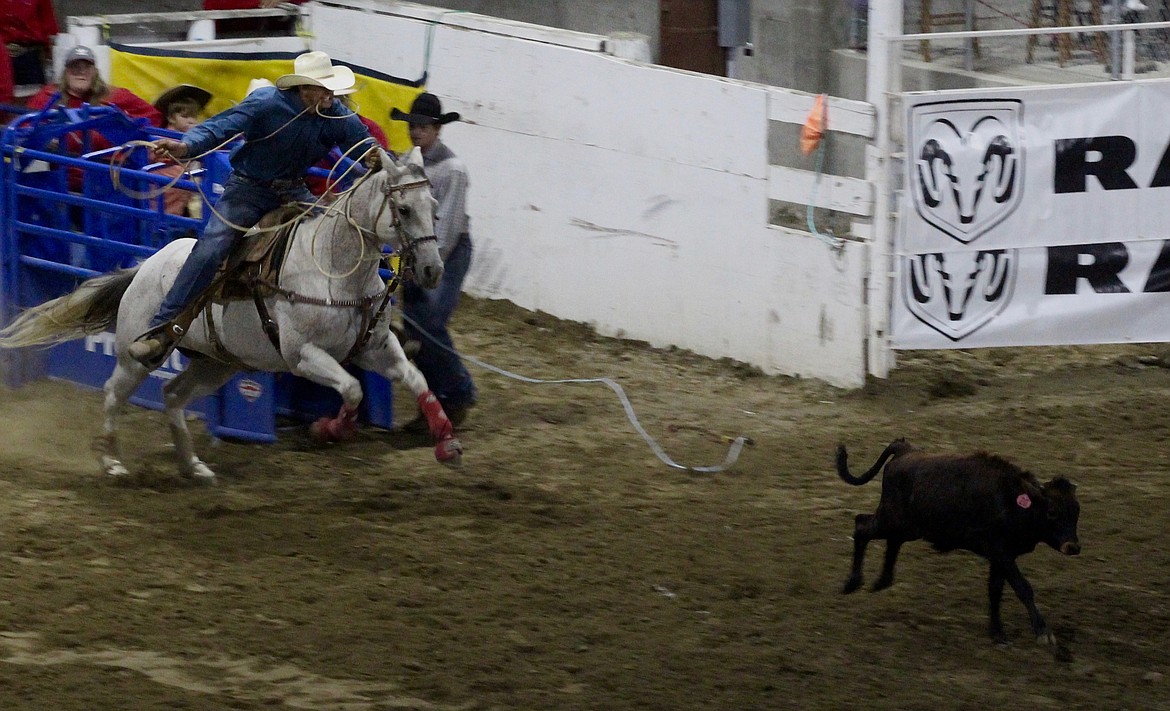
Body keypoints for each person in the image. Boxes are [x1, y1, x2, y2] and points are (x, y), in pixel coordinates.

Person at [127, 50, 376, 369]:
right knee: (212, 248)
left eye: (331, 88)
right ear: (304, 89)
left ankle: (362, 317)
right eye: (323, 88)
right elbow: (219, 128)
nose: (330, 94)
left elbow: (364, 144)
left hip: (293, 190)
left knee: (336, 239)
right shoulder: (267, 104)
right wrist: (187, 146)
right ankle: (163, 329)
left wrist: (379, 160)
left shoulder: (335, 113)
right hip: (248, 189)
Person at [390, 92, 477, 427]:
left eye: (423, 126)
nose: (416, 131)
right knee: (419, 326)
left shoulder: (452, 169)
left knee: (428, 325)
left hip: (448, 252)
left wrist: (424, 265)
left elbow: (450, 227)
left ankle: (458, 392)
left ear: (437, 129)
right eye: (413, 125)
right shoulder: (406, 162)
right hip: (420, 254)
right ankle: (439, 405)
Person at [27, 45, 161, 126]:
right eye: (75, 67)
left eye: (87, 67)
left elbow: (154, 117)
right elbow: (24, 126)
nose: (81, 72)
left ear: (95, 72)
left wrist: (124, 125)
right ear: (66, 72)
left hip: (108, 165)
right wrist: (45, 138)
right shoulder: (49, 95)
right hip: (65, 166)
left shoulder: (115, 95)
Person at [152, 83, 212, 217]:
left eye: (194, 117)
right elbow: (152, 156)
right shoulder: (161, 138)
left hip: (182, 195)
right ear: (171, 118)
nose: (191, 121)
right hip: (165, 197)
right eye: (185, 117)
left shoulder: (193, 139)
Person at [1, 0, 59, 104]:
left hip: (30, 57)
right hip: (2, 56)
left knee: (34, 101)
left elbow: (50, 27)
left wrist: (51, 60)